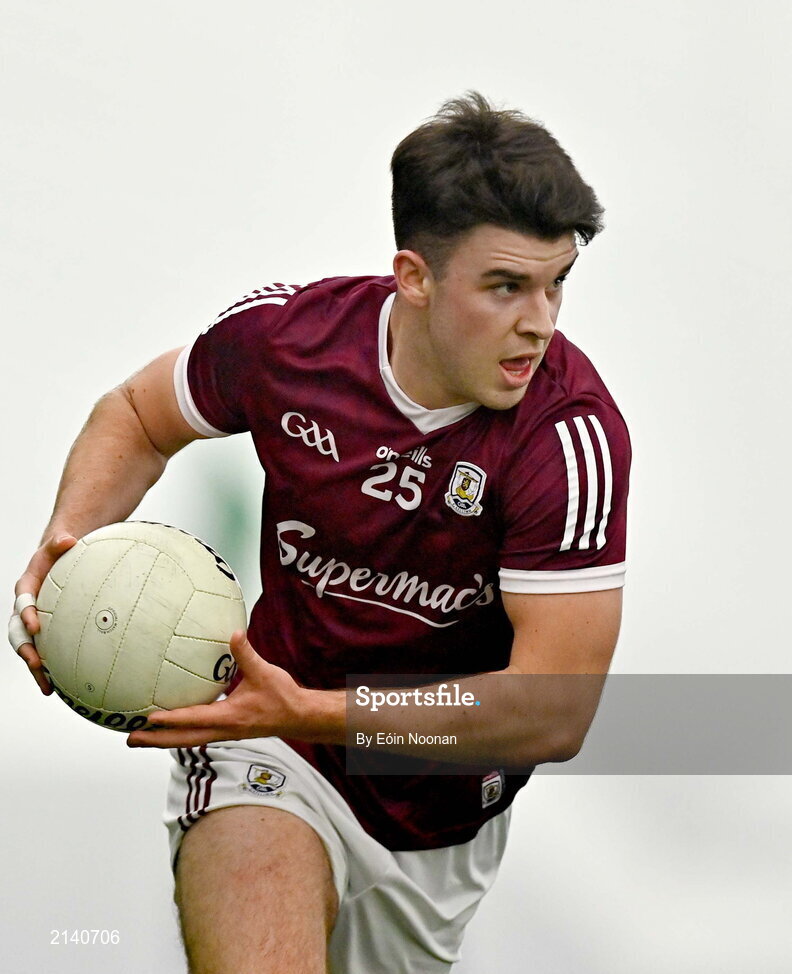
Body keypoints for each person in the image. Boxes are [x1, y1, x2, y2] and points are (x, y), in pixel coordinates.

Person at [10, 92, 630, 973]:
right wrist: (64, 547)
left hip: (436, 821)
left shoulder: (570, 438)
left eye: (556, 281)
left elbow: (551, 710)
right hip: (269, 749)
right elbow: (140, 414)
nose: (541, 319)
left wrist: (318, 710)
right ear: (414, 276)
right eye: (505, 286)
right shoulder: (287, 340)